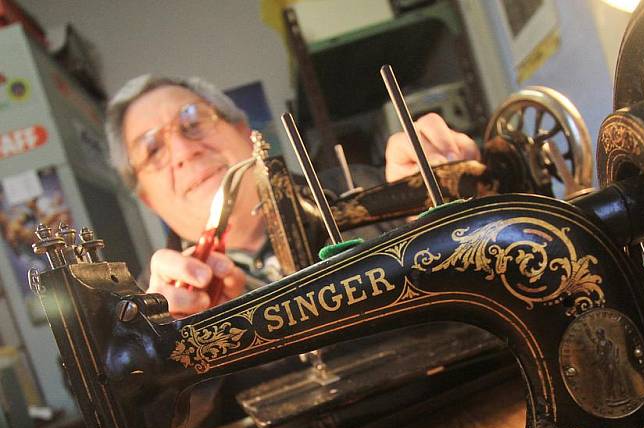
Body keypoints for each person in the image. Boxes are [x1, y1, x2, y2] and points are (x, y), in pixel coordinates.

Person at [105, 75, 479, 317]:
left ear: (242, 129)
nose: (185, 151)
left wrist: (434, 213)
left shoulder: (364, 188)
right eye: (153, 150)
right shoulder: (145, 312)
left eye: (193, 122)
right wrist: (169, 345)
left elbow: (473, 276)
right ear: (147, 200)